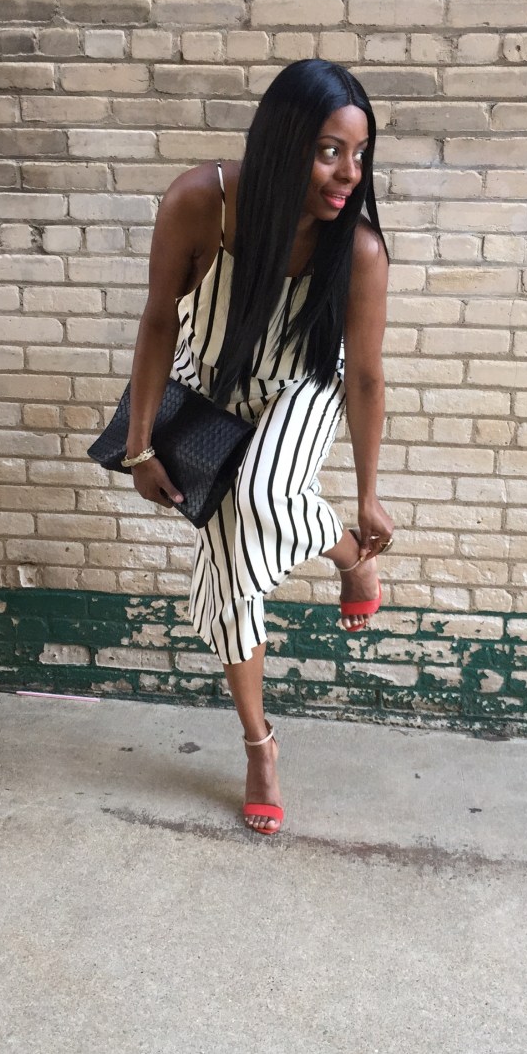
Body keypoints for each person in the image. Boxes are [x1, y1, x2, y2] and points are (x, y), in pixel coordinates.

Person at [123, 59, 393, 837]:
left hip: (303, 386)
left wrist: (367, 495)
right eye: (330, 151)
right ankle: (259, 744)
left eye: (360, 154)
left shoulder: (359, 249)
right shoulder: (198, 203)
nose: (349, 174)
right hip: (209, 389)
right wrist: (140, 447)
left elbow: (365, 376)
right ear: (282, 142)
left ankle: (349, 554)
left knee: (262, 494)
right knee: (231, 567)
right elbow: (158, 320)